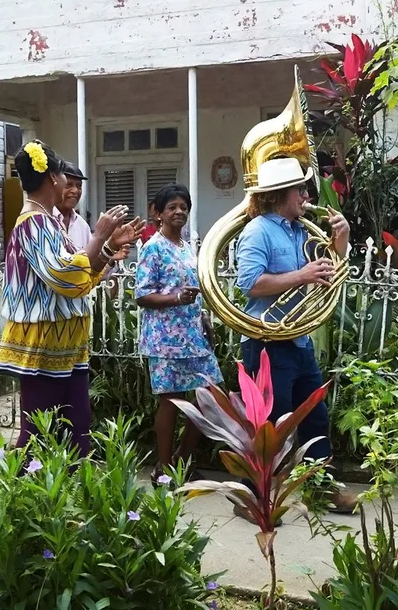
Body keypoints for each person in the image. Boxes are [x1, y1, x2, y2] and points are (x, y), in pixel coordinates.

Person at [0, 141, 143, 456]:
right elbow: (67, 278)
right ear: (52, 179)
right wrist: (100, 236)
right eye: (64, 175)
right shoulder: (32, 223)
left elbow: (84, 276)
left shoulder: (47, 222)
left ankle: (75, 498)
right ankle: (22, 497)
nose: (68, 183)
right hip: (44, 346)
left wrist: (107, 249)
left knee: (78, 429)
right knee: (38, 433)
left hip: (68, 346)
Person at [235, 157, 358, 515]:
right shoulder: (257, 231)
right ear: (279, 194)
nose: (306, 195)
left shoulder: (301, 230)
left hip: (298, 339)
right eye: (299, 189)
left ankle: (323, 488)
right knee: (271, 425)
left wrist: (341, 242)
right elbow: (250, 284)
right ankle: (254, 498)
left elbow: (326, 273)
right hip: (266, 341)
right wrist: (301, 276)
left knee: (315, 416)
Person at [134, 184, 220, 482]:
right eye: (171, 207)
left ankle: (182, 460)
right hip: (165, 338)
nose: (179, 211)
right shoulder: (152, 248)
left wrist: (204, 317)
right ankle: (163, 467)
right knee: (170, 400)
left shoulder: (186, 247)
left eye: (183, 206)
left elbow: (194, 289)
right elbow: (142, 295)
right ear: (158, 214)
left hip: (193, 333)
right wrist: (175, 299)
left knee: (210, 396)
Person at [56, 161, 93, 249]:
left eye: (79, 186)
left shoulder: (82, 225)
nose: (75, 190)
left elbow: (92, 260)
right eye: (68, 185)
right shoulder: (44, 220)